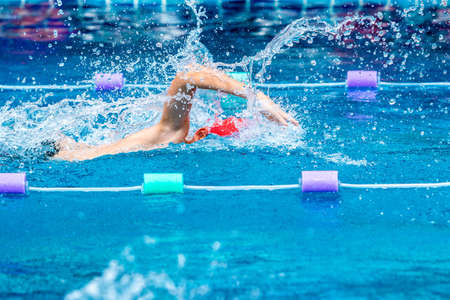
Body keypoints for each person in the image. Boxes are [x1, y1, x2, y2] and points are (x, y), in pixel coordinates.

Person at [54, 64, 298, 161]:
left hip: (60, 152)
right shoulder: (171, 135)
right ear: (202, 134)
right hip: (57, 157)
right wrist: (256, 99)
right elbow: (188, 74)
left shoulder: (169, 136)